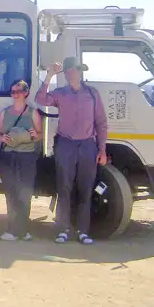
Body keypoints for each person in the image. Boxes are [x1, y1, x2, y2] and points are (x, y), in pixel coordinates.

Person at [35, 57, 108, 245]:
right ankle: (63, 230)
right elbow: (40, 99)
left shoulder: (92, 94)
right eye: (67, 70)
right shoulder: (60, 93)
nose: (70, 72)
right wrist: (49, 75)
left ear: (80, 71)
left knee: (85, 189)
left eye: (74, 69)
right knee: (64, 188)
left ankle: (83, 231)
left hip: (87, 145)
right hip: (65, 145)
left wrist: (102, 149)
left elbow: (101, 122)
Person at [0, 79, 43, 241]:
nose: (15, 95)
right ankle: (12, 230)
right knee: (11, 193)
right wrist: (2, 138)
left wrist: (36, 136)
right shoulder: (5, 112)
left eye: (19, 91)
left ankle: (23, 230)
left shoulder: (32, 113)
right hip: (8, 157)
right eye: (13, 92)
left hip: (27, 157)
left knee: (25, 193)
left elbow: (40, 134)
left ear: (26, 93)